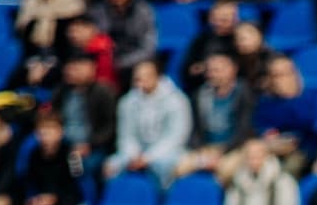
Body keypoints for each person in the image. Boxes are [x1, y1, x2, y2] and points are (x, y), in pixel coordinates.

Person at [107, 60, 193, 188]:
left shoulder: (177, 100)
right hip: (137, 152)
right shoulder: (127, 102)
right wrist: (133, 155)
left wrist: (148, 157)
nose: (141, 81)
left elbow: (176, 137)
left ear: (158, 76)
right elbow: (126, 135)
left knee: (163, 165)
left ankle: (162, 202)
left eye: (147, 76)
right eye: (138, 78)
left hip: (168, 151)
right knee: (111, 165)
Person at [180, 53, 257, 176]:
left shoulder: (244, 93)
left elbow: (244, 129)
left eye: (217, 70)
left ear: (233, 70)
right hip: (206, 149)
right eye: (209, 70)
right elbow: (194, 129)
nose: (212, 75)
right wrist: (202, 149)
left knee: (225, 170)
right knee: (181, 167)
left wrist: (222, 151)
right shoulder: (200, 94)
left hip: (234, 148)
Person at [15, 0, 88, 85]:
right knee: (16, 79)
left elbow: (71, 42)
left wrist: (47, 66)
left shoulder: (72, 4)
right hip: (34, 56)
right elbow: (25, 35)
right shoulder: (30, 1)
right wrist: (35, 65)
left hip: (63, 56)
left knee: (53, 78)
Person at [51, 54, 119, 175]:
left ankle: (80, 193)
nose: (71, 71)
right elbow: (54, 118)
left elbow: (109, 128)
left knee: (78, 167)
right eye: (69, 67)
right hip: (63, 143)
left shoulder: (103, 92)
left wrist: (89, 145)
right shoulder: (61, 92)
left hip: (92, 146)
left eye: (76, 68)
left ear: (91, 69)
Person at [19, 109, 85, 205]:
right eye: (42, 130)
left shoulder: (72, 155)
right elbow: (29, 183)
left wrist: (56, 199)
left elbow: (78, 187)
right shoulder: (33, 155)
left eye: (50, 129)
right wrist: (35, 199)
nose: (45, 134)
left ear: (60, 132)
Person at [225, 136, 300, 205]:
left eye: (258, 155)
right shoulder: (237, 183)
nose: (254, 160)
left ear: (267, 155)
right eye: (249, 156)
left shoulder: (283, 181)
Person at [253, 55, 317, 164]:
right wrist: (270, 137)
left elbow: (311, 127)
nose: (284, 79)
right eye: (277, 75)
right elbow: (262, 126)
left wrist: (292, 97)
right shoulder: (266, 102)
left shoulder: (310, 98)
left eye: (288, 73)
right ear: (270, 79)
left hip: (303, 149)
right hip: (273, 147)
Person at [93, 0, 159, 79]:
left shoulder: (144, 12)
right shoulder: (98, 12)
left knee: (144, 70)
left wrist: (122, 63)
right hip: (107, 60)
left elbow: (148, 47)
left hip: (136, 60)